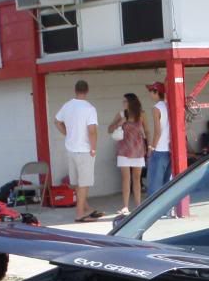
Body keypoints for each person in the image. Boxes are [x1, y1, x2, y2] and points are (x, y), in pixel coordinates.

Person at [55, 79, 102, 222]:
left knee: (76, 182)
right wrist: (93, 148)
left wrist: (67, 133)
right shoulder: (89, 108)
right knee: (84, 182)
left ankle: (86, 208)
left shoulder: (67, 105)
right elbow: (92, 130)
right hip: (84, 149)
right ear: (87, 91)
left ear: (75, 90)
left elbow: (57, 121)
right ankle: (80, 213)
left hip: (71, 149)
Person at [108, 92, 149, 216]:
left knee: (137, 178)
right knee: (126, 178)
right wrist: (119, 123)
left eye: (125, 101)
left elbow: (147, 130)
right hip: (124, 150)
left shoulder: (141, 114)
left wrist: (149, 145)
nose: (123, 103)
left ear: (131, 102)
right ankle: (125, 206)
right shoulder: (121, 114)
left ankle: (138, 205)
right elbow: (109, 129)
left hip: (138, 149)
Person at [146, 81, 171, 195]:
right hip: (169, 149)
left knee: (154, 185)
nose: (149, 94)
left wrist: (152, 147)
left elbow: (157, 131)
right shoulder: (169, 105)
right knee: (167, 183)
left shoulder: (156, 108)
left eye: (151, 91)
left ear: (156, 92)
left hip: (159, 149)